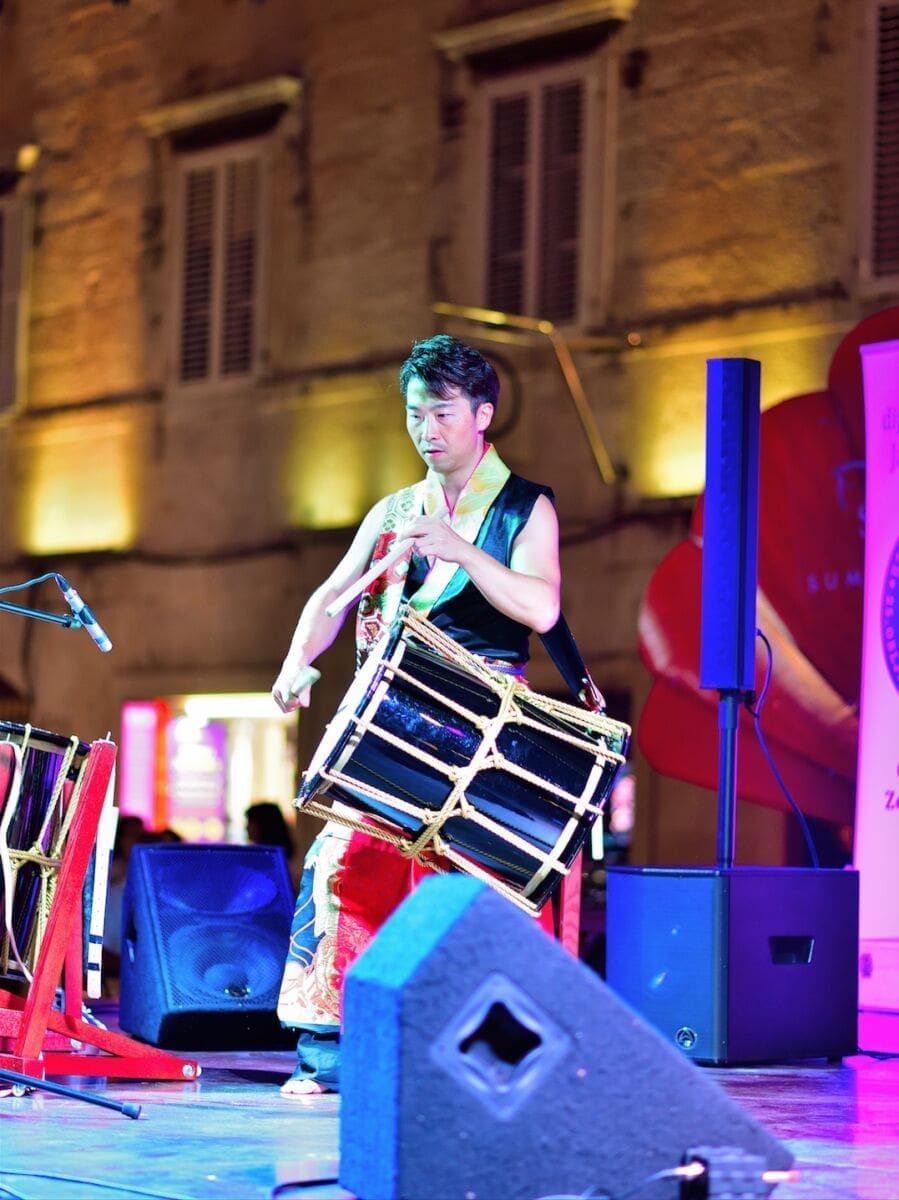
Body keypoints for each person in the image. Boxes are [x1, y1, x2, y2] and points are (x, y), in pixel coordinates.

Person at [271, 333, 561, 1096]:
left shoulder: (524, 508)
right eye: (414, 414)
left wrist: (462, 551)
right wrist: (297, 659)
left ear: (482, 415)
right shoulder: (395, 510)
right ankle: (330, 1053)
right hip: (394, 721)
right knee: (343, 863)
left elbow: (540, 607)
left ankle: (497, 1055)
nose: (425, 430)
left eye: (441, 413)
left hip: (482, 728)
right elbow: (333, 596)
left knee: (483, 884)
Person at [245, 800, 303, 891]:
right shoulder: (284, 855)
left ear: (262, 825)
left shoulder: (279, 859)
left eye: (250, 822)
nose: (247, 827)